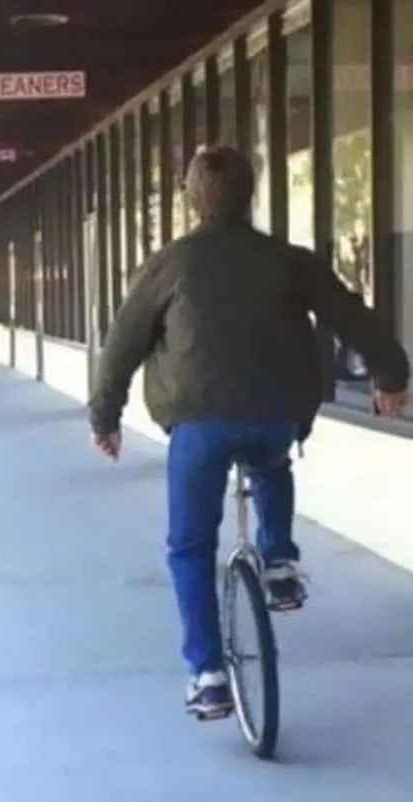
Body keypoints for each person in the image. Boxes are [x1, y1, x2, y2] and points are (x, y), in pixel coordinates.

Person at [88, 146, 410, 721]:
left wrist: (104, 418)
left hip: (198, 424)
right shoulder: (289, 260)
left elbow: (121, 346)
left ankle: (208, 675)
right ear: (250, 195)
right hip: (275, 415)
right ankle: (280, 563)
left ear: (193, 201)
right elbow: (351, 315)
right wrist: (391, 376)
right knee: (269, 459)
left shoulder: (170, 265)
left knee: (189, 546)